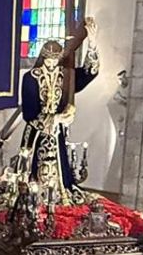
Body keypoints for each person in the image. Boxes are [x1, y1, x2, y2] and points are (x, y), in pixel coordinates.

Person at [20, 21, 100, 204]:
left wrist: (92, 44)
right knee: (32, 173)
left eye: (55, 60)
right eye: (48, 60)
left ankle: (60, 194)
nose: (51, 64)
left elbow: (89, 73)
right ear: (42, 58)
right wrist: (55, 119)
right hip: (36, 134)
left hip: (57, 135)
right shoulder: (31, 78)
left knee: (62, 175)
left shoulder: (65, 76)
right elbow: (29, 113)